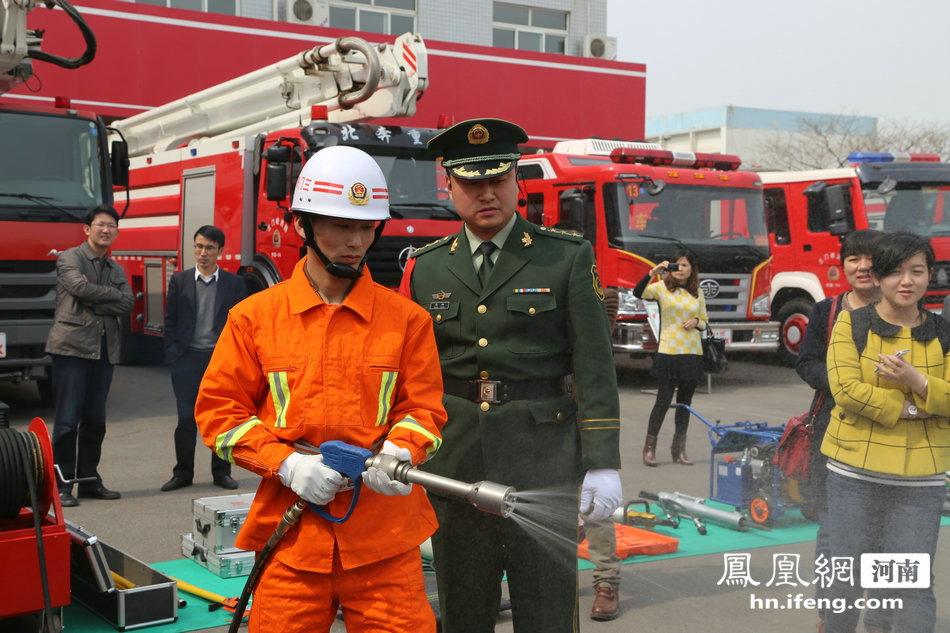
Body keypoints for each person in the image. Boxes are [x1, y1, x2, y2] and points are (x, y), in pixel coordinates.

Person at [194, 145, 446, 633]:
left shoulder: (407, 322)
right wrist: (286, 464)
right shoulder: (254, 319)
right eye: (340, 226)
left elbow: (425, 410)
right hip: (292, 544)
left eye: (366, 227)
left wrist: (399, 449)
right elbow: (219, 415)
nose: (356, 240)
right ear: (302, 225)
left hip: (385, 545)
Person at [399, 118, 622, 633]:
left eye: (497, 180)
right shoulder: (425, 268)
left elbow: (593, 364)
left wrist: (603, 462)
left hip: (543, 459)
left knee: (546, 608)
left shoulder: (564, 257)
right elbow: (414, 372)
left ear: (516, 180)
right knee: (464, 607)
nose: (486, 194)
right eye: (471, 183)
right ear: (448, 186)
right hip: (455, 467)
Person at [822, 231, 950, 633]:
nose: (906, 281)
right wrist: (920, 404)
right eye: (895, 272)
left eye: (917, 271)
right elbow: (845, 391)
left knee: (910, 585)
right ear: (878, 278)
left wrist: (916, 378)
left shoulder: (944, 332)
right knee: (845, 581)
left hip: (921, 483)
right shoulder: (852, 323)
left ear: (931, 274)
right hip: (854, 478)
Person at [795, 229, 887, 633]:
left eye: (870, 259)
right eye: (853, 259)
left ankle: (883, 618)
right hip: (833, 436)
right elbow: (807, 362)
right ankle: (831, 616)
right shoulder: (826, 311)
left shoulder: (902, 311)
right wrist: (848, 386)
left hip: (892, 438)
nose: (862, 266)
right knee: (832, 531)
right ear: (843, 264)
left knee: (886, 535)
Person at [46, 205, 133, 507]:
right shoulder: (70, 257)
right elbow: (77, 287)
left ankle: (89, 481)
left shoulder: (116, 268)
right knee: (67, 422)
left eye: (112, 226)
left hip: (105, 352)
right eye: (100, 225)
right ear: (87, 229)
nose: (106, 230)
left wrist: (95, 300)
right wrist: (109, 295)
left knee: (96, 421)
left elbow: (127, 304)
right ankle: (61, 484)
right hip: (72, 349)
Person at [160, 225, 247, 492]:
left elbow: (242, 323)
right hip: (186, 360)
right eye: (198, 246)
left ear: (220, 251)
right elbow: (170, 320)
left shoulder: (235, 283)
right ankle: (183, 473)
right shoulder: (180, 281)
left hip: (219, 361)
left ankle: (222, 473)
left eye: (209, 247)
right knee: (186, 419)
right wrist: (173, 352)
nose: (203, 252)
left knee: (221, 419)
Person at [634, 249, 708, 467]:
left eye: (685, 265)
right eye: (677, 265)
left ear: (692, 269)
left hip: (692, 353)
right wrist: (653, 272)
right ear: (670, 267)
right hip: (669, 352)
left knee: (685, 404)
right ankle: (649, 449)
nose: (681, 269)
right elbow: (638, 293)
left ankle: (679, 449)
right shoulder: (660, 288)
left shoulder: (697, 293)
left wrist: (696, 321)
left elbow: (705, 320)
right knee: (662, 402)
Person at [584, 285, 623, 621]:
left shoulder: (596, 288)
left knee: (596, 506)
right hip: (529, 412)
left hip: (584, 411)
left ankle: (606, 581)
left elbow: (600, 342)